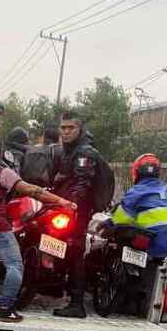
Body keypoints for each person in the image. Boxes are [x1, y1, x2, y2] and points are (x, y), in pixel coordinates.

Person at [0, 137, 77, 322]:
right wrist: (60, 200)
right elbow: (32, 191)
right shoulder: (2, 172)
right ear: (0, 153)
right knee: (15, 266)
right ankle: (6, 308)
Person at [51, 111, 109, 318]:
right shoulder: (68, 150)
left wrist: (71, 205)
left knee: (75, 252)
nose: (66, 132)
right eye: (63, 128)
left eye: (70, 128)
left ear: (79, 129)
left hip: (77, 211)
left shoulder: (85, 152)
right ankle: (56, 286)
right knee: (59, 245)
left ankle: (77, 304)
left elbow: (82, 184)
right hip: (65, 207)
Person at [111, 153, 167, 258]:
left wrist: (106, 225)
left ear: (136, 172)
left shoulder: (137, 191)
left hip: (150, 244)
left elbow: (119, 220)